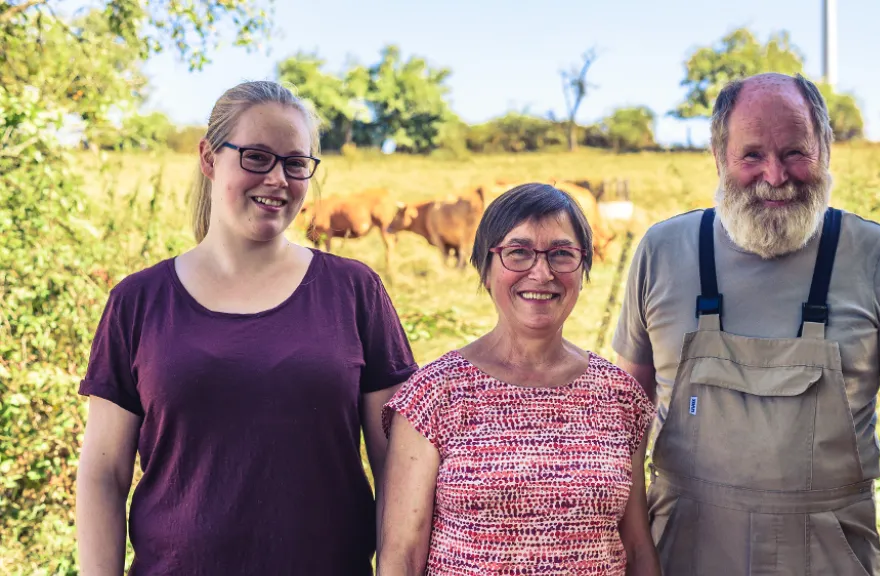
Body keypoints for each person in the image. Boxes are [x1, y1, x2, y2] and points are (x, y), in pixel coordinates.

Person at [612, 72, 880, 576]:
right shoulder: (663, 251)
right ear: (718, 156)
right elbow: (623, 419)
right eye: (752, 154)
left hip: (830, 557)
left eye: (796, 152)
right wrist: (627, 556)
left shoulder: (873, 254)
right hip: (682, 553)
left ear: (825, 148)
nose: (776, 177)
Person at [75, 80, 417, 575]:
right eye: (257, 157)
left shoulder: (355, 291)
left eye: (296, 163)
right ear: (209, 159)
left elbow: (399, 470)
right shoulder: (138, 301)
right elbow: (104, 473)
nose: (279, 179)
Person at [376, 183, 661, 575]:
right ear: (485, 268)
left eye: (561, 254)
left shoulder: (620, 396)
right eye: (518, 252)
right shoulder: (434, 394)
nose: (541, 273)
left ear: (583, 268)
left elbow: (637, 546)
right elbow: (402, 557)